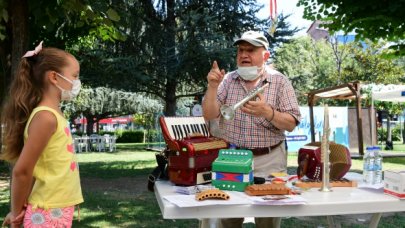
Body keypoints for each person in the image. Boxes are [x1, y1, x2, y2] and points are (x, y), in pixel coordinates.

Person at [202, 31, 301, 228]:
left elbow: (291, 123)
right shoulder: (227, 80)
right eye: (240, 50)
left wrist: (268, 112)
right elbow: (210, 114)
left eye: (251, 50)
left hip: (270, 159)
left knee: (269, 220)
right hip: (233, 159)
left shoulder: (279, 81)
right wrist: (212, 87)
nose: (244, 55)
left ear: (265, 55)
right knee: (228, 216)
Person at [1, 41, 83, 227]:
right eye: (75, 76)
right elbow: (22, 171)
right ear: (54, 77)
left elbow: (38, 169)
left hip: (54, 209)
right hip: (48, 212)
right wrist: (15, 214)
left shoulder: (54, 114)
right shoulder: (46, 117)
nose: (77, 82)